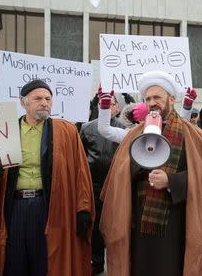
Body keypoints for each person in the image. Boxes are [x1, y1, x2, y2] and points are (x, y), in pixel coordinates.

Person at [99, 70, 202, 276]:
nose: (152, 102)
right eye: (148, 98)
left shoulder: (193, 134)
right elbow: (118, 178)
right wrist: (140, 163)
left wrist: (171, 181)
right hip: (139, 224)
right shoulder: (134, 134)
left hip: (177, 224)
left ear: (171, 99)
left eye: (157, 97)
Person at [0, 79, 95, 276]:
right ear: (23, 102)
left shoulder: (67, 131)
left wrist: (83, 207)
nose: (44, 102)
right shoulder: (4, 129)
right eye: (38, 98)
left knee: (46, 264)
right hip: (14, 208)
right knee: (14, 264)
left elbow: (81, 172)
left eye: (48, 98)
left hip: (50, 208)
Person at [80, 93, 124, 275]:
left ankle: (118, 265)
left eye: (111, 104)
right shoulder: (87, 128)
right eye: (103, 103)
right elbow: (81, 156)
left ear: (117, 108)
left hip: (116, 186)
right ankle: (96, 262)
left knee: (116, 228)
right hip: (94, 185)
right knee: (96, 226)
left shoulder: (124, 129)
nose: (107, 107)